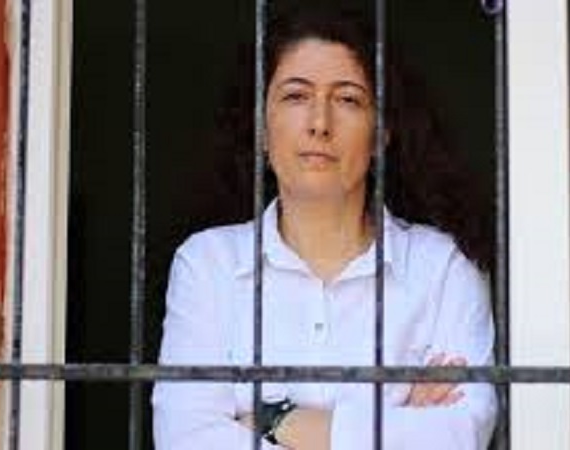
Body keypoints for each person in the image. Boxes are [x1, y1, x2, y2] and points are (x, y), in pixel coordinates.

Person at [153, 5, 496, 449]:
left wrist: (274, 420)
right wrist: (397, 427)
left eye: (348, 99)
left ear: (381, 133)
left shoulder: (443, 267)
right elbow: (184, 438)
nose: (319, 123)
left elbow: (461, 434)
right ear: (261, 126)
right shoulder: (207, 264)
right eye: (296, 96)